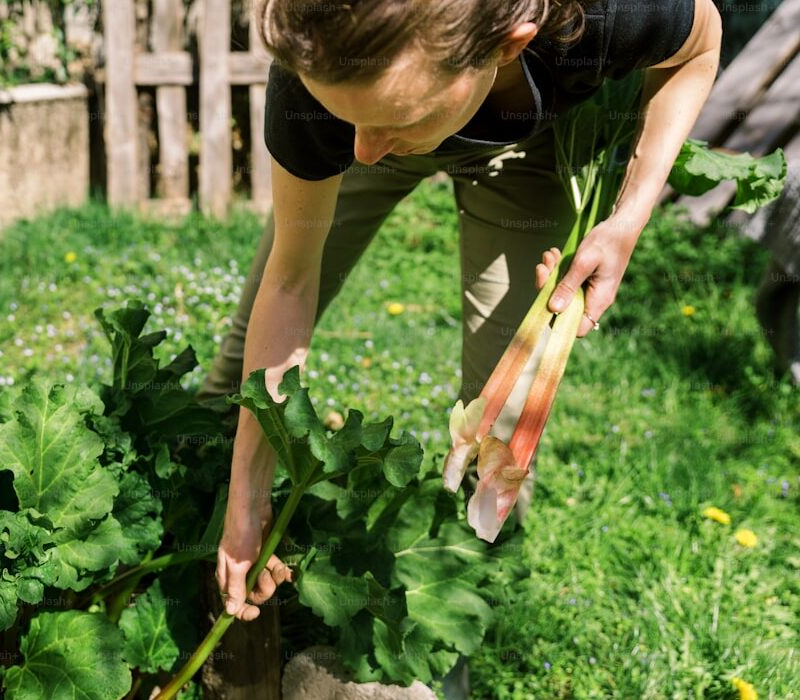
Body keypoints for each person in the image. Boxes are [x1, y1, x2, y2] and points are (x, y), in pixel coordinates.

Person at [196, 0, 722, 695]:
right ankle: (196, 578)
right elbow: (291, 281)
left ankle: (440, 664)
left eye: (394, 117)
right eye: (352, 118)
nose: (362, 150)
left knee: (500, 435)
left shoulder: (607, 14)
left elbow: (702, 39)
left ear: (511, 43)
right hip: (400, 106)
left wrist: (626, 219)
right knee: (239, 377)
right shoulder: (324, 78)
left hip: (532, 150)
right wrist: (244, 502)